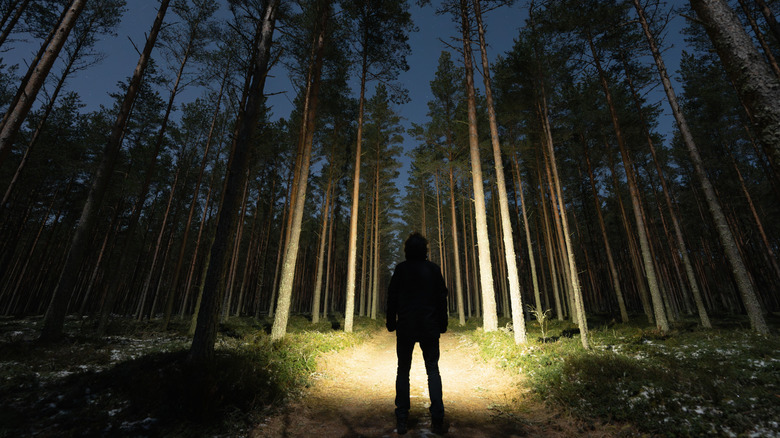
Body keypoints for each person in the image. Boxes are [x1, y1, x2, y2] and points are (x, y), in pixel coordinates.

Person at [386, 232, 448, 435]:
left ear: (407, 250)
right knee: (433, 370)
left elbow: (392, 296)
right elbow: (442, 298)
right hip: (429, 327)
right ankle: (437, 419)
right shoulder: (433, 269)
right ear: (425, 250)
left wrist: (390, 321)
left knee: (403, 370)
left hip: (406, 327)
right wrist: (442, 323)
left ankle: (402, 417)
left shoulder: (401, 269)